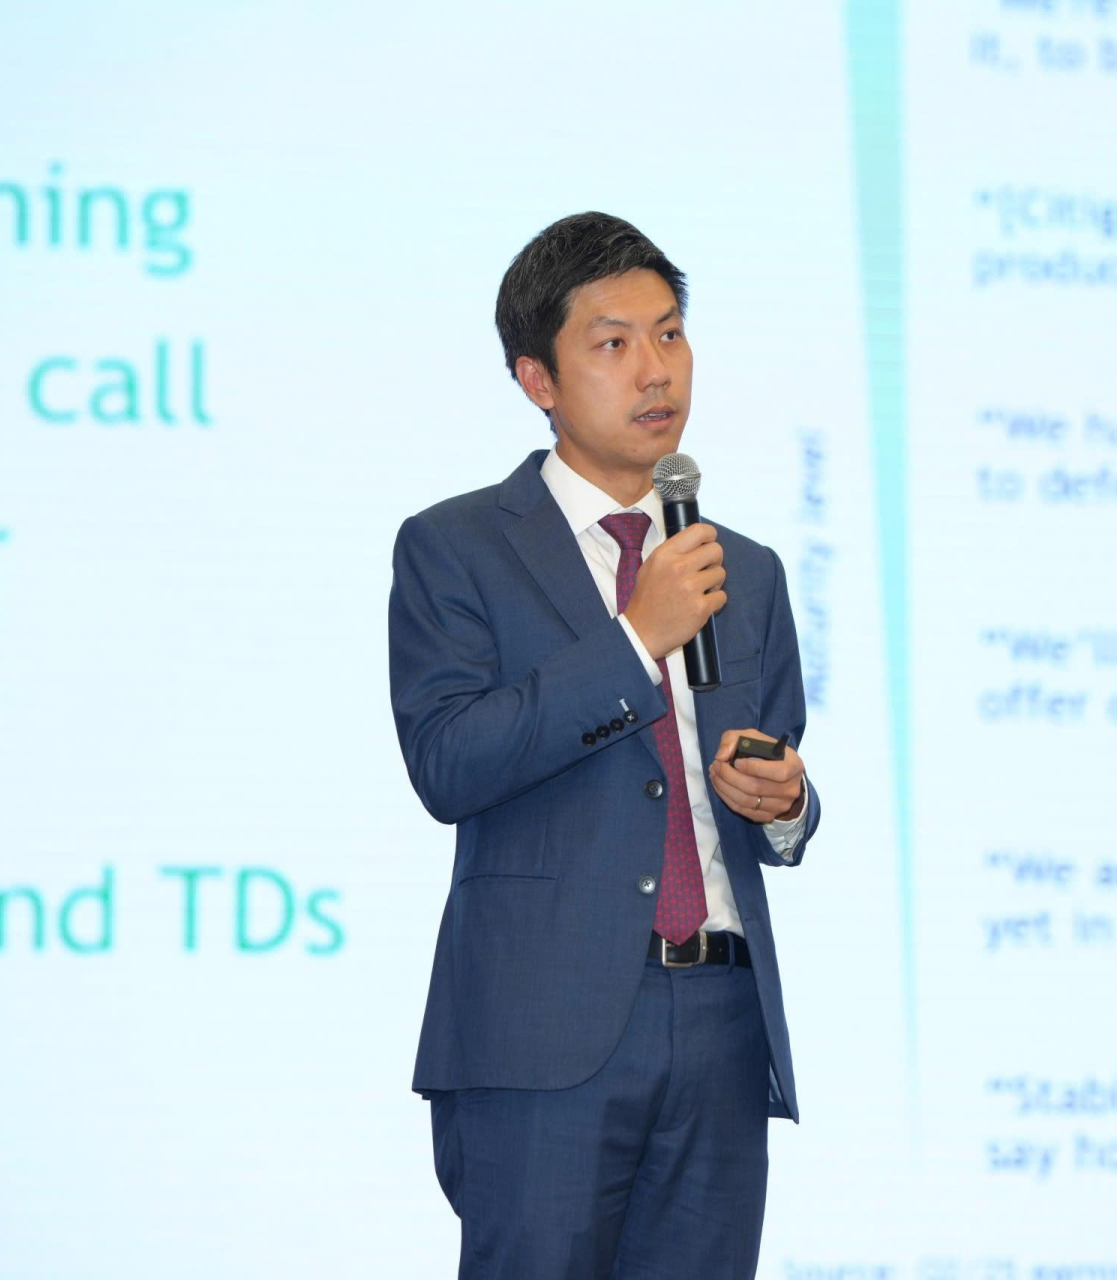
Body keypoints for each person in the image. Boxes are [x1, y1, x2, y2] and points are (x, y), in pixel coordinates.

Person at [387, 210, 823, 1278]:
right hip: (542, 1033)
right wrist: (635, 640)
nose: (655, 369)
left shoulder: (745, 569)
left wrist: (787, 804)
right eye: (614, 342)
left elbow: (776, 771)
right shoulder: (456, 546)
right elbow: (449, 761)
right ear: (537, 378)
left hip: (722, 1020)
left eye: (670, 334)